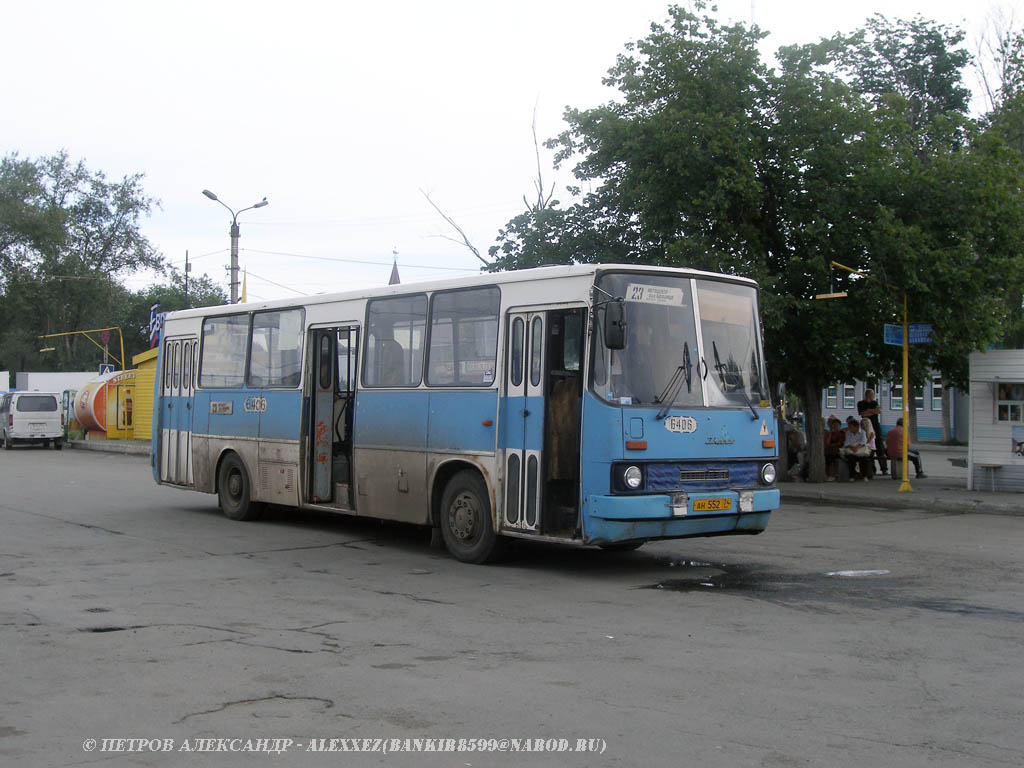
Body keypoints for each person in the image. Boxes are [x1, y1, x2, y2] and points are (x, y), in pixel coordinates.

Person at [857, 389, 888, 474]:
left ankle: (884, 468)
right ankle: (871, 468)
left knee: (879, 447)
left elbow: (879, 411)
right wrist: (872, 411)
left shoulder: (874, 403)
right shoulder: (861, 403)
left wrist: (869, 411)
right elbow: (863, 414)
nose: (873, 396)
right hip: (866, 427)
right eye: (871, 394)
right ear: (867, 395)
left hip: (875, 426)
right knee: (869, 446)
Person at [824, 416, 844, 481]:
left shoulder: (842, 433)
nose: (835, 427)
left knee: (832, 457)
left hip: (839, 450)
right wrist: (830, 433)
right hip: (830, 450)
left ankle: (833, 475)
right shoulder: (831, 434)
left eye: (836, 425)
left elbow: (840, 443)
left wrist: (832, 445)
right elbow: (827, 443)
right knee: (827, 457)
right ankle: (828, 475)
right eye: (833, 425)